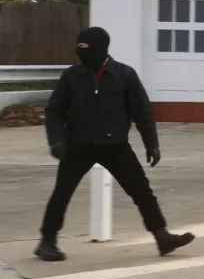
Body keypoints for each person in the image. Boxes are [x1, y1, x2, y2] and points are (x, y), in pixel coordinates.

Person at [36, 26, 193, 262]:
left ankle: (162, 237)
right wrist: (57, 141)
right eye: (79, 49)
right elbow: (54, 111)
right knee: (62, 193)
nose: (82, 54)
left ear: (101, 49)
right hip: (77, 145)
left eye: (86, 49)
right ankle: (47, 242)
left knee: (142, 191)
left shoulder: (124, 75)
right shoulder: (72, 76)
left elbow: (142, 111)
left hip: (115, 145)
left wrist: (151, 143)